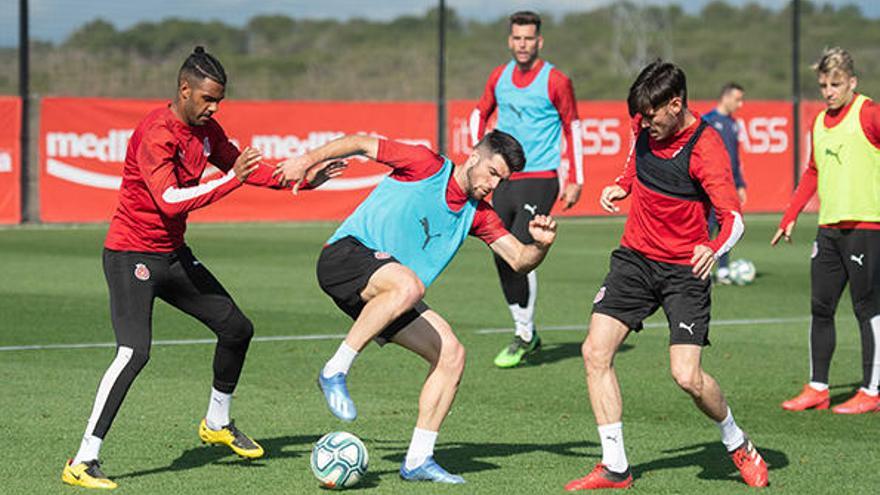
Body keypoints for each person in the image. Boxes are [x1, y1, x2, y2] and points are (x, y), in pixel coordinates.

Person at [61, 46, 341, 489]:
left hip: (172, 256)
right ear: (184, 89)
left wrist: (304, 180)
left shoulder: (207, 130)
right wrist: (233, 182)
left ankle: (217, 422)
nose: (213, 108)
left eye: (219, 101)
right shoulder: (157, 133)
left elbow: (244, 166)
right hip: (130, 255)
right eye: (208, 99)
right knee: (134, 352)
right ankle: (83, 459)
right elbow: (168, 200)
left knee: (236, 328)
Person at [275, 130, 558, 483]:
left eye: (503, 180)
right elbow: (362, 142)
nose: (494, 185)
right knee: (410, 285)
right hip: (346, 257)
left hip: (388, 293)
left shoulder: (479, 215)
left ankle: (418, 459)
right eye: (493, 173)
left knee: (452, 354)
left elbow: (518, 259)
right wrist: (306, 160)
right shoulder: (426, 165)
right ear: (473, 156)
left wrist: (541, 246)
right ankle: (335, 370)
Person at [565, 60, 768, 491]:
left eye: (652, 114)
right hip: (635, 259)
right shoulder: (644, 128)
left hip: (683, 270)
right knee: (594, 352)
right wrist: (621, 184)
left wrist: (712, 248)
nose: (643, 122)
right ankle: (616, 466)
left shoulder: (706, 148)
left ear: (676, 105)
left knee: (686, 377)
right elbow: (634, 164)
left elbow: (733, 218)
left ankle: (737, 442)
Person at [470, 11, 583, 368]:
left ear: (539, 42)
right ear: (510, 41)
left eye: (529, 38)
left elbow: (573, 127)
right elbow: (479, 113)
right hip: (506, 177)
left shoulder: (556, 81)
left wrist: (576, 177)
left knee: (520, 247)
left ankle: (522, 334)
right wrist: (478, 156)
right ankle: (527, 333)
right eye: (517, 38)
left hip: (542, 177)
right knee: (500, 251)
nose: (523, 44)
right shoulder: (498, 77)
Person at [774, 47, 880, 415]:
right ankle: (818, 387)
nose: (829, 91)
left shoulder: (870, 113)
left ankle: (872, 390)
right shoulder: (818, 122)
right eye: (823, 85)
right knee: (821, 307)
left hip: (866, 227)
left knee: (867, 308)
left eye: (836, 84)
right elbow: (813, 172)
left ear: (852, 81)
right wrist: (790, 215)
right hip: (829, 231)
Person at [703, 82, 747, 284]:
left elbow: (734, 158)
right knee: (707, 225)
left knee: (727, 223)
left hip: (728, 184)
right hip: (709, 184)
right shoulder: (708, 121)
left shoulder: (733, 124)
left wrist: (740, 184)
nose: (740, 104)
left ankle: (723, 269)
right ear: (726, 97)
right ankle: (700, 266)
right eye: (737, 99)